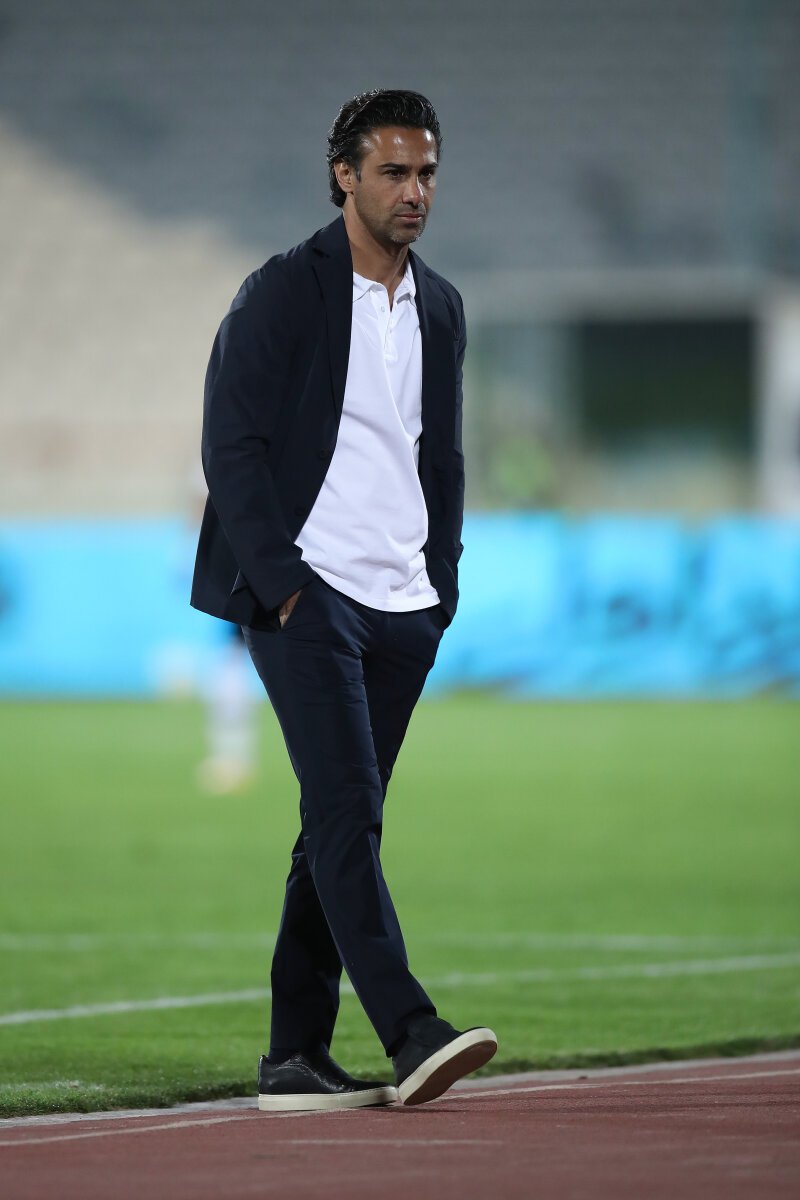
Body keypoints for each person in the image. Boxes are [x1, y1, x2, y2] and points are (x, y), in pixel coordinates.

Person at [191, 89, 497, 1111]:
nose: (415, 191)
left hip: (404, 604)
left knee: (332, 825)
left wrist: (440, 585)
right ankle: (411, 1029)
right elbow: (229, 444)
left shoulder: (441, 306)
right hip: (310, 597)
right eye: (394, 172)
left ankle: (294, 1055)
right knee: (346, 814)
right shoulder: (282, 291)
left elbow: (441, 457)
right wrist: (283, 588)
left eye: (427, 173)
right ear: (344, 176)